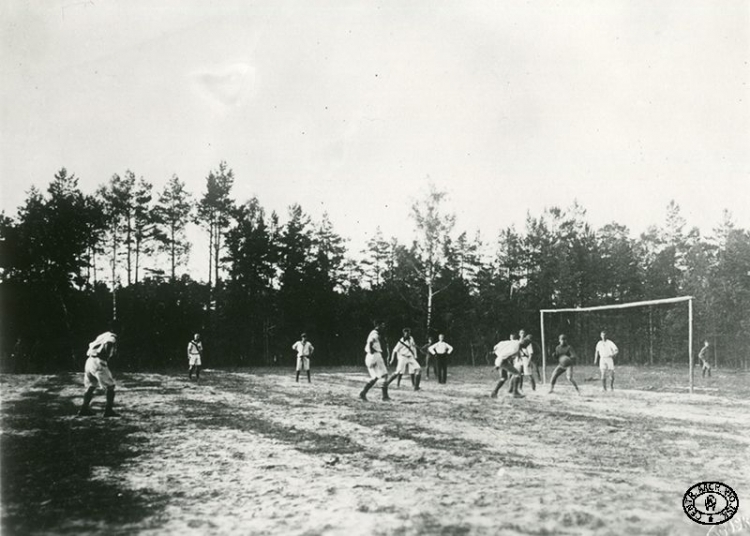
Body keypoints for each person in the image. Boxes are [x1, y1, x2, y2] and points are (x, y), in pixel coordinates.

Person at [78, 330, 119, 417]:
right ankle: (108, 411)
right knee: (110, 386)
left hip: (89, 360)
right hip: (98, 361)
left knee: (91, 385)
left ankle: (84, 409)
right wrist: (107, 356)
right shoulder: (112, 336)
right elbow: (109, 343)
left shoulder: (103, 335)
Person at [359, 320, 397, 401]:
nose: (384, 327)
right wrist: (371, 350)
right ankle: (385, 396)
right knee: (385, 375)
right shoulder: (375, 333)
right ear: (378, 325)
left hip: (369, 357)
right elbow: (370, 342)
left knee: (375, 377)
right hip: (375, 355)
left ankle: (363, 393)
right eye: (382, 325)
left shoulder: (374, 333)